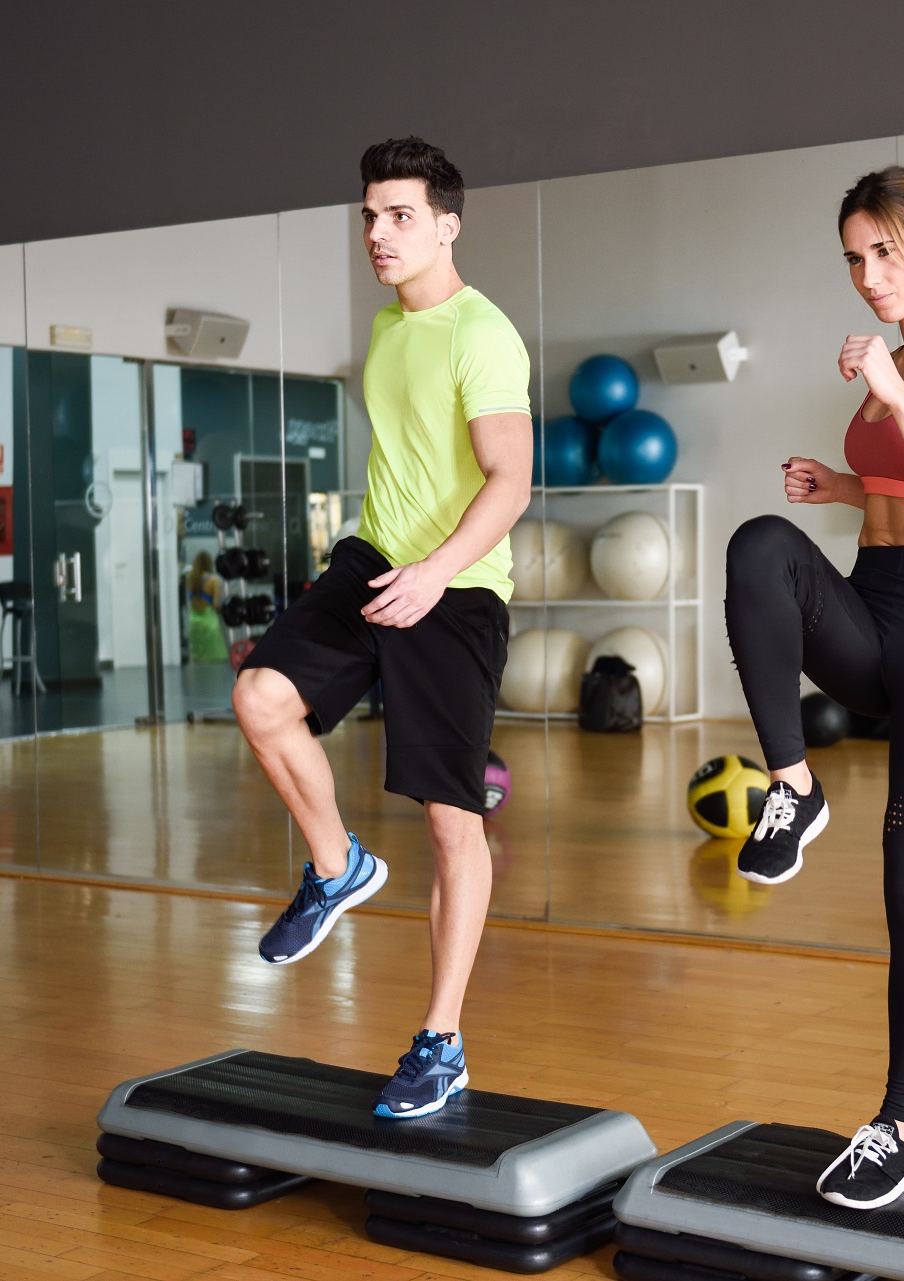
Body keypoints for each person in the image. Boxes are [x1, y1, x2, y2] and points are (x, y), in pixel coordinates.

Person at [724, 165, 904, 1210]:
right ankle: (794, 786)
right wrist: (841, 488)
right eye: (853, 258)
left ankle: (898, 1126)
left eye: (884, 253)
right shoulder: (890, 358)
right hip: (877, 602)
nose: (867, 275)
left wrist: (895, 395)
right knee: (762, 545)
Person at [231, 137, 531, 1117]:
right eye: (369, 215)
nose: (378, 233)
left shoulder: (481, 334)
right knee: (261, 698)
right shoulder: (387, 330)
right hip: (374, 559)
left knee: (454, 826)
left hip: (460, 586)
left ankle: (441, 1041)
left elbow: (512, 480)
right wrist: (396, 566)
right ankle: (337, 867)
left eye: (400, 215)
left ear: (447, 224)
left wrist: (437, 574)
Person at [184, 551, 228, 663]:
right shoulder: (214, 580)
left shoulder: (190, 578)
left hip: (194, 620)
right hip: (209, 620)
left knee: (197, 657)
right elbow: (215, 604)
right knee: (215, 657)